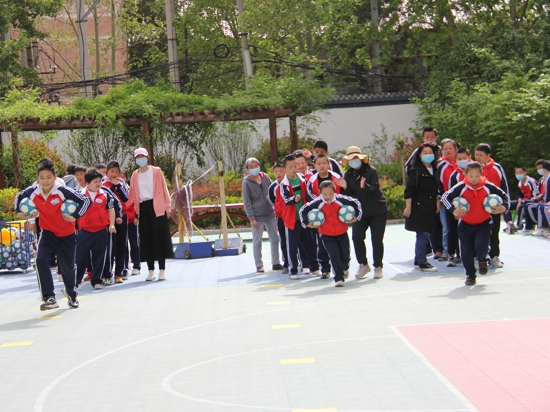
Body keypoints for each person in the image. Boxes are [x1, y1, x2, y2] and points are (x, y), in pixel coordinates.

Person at [15, 158, 91, 310]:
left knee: (67, 267)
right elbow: (19, 197)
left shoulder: (63, 191)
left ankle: (71, 293)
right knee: (40, 260)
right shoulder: (33, 191)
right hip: (47, 233)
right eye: (42, 177)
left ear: (55, 177)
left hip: (66, 234)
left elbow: (86, 201)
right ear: (38, 178)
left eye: (49, 177)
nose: (45, 181)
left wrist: (75, 216)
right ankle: (49, 297)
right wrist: (19, 213)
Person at [442, 162, 509, 285]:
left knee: (481, 246)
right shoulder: (461, 187)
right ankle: (470, 276)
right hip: (465, 225)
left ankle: (482, 259)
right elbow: (445, 197)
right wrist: (453, 210)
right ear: (465, 174)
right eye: (471, 176)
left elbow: (504, 195)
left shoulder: (488, 186)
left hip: (484, 224)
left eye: (477, 176)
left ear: (481, 175)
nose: (474, 179)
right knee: (466, 253)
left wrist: (504, 207)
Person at [338, 146, 387, 279]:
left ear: (361, 158)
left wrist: (365, 186)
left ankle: (378, 267)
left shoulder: (371, 171)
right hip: (360, 211)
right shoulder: (348, 174)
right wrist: (345, 187)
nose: (354, 161)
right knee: (357, 237)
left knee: (376, 239)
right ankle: (363, 264)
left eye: (356, 158)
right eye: (351, 159)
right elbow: (349, 196)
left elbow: (376, 189)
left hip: (377, 210)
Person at [300, 181, 362, 287]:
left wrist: (356, 216)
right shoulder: (318, 202)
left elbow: (356, 202)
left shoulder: (340, 199)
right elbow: (303, 210)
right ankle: (339, 278)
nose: (328, 196)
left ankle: (345, 268)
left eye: (330, 193)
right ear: (320, 193)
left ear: (335, 191)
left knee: (345, 257)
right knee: (334, 256)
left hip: (342, 233)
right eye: (325, 194)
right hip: (326, 236)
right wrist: (306, 223)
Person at [129, 148, 174, 281]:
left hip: (157, 207)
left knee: (160, 238)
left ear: (147, 157)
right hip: (143, 208)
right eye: (138, 157)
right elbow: (132, 195)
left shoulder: (156, 171)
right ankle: (150, 270)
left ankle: (162, 270)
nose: (141, 159)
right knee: (146, 239)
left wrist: (168, 207)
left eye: (142, 156)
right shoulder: (135, 175)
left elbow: (164, 189)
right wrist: (135, 213)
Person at [75, 168, 117, 290]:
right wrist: (75, 227)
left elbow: (111, 209)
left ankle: (97, 280)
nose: (98, 184)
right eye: (95, 182)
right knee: (80, 258)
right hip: (84, 231)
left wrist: (112, 224)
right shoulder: (80, 195)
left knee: (99, 257)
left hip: (101, 231)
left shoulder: (105, 195)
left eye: (100, 181)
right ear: (87, 183)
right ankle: (74, 282)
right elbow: (74, 212)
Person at [280, 154, 320, 279]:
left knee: (310, 243)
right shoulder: (284, 184)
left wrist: (319, 201)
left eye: (295, 165)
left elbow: (309, 195)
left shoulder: (302, 179)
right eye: (290, 167)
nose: (294, 168)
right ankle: (293, 271)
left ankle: (314, 267)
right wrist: (294, 199)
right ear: (285, 169)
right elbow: (286, 199)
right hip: (292, 220)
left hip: (304, 218)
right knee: (292, 247)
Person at [403, 142, 440, 272]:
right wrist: (408, 207)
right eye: (425, 153)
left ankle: (418, 260)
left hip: (429, 206)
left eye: (430, 153)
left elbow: (435, 189)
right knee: (422, 234)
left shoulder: (434, 169)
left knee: (424, 233)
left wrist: (437, 201)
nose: (428, 155)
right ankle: (422, 262)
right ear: (419, 155)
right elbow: (409, 190)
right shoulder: (416, 171)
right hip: (418, 207)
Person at [242, 157, 282, 273]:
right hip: (257, 216)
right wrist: (252, 218)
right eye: (251, 167)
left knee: (274, 239)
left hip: (270, 213)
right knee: (257, 241)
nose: (254, 168)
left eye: (256, 165)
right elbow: (247, 202)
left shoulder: (265, 177)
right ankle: (259, 265)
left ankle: (276, 262)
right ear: (247, 169)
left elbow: (274, 189)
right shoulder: (246, 182)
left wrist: (272, 199)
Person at [474, 143, 510, 268]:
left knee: (494, 233)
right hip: (477, 207)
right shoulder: (473, 168)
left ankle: (494, 257)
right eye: (476, 154)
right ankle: (478, 257)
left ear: (488, 155)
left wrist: (505, 205)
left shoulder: (497, 168)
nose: (478, 157)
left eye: (481, 155)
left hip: (494, 206)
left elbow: (504, 186)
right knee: (477, 234)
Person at [306, 154, 341, 278]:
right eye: (319, 164)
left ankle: (342, 266)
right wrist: (322, 204)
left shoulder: (336, 177)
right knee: (322, 243)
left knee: (340, 242)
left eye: (324, 163)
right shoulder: (311, 180)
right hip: (320, 217)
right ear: (314, 166)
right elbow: (309, 196)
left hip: (336, 216)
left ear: (328, 164)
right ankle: (325, 269)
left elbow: (342, 194)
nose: (322, 166)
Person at [102, 160, 130, 283]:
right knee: (109, 246)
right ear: (107, 171)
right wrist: (112, 186)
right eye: (111, 171)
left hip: (122, 216)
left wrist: (118, 185)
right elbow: (107, 198)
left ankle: (119, 272)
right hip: (108, 218)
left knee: (121, 244)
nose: (114, 174)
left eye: (116, 172)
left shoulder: (122, 182)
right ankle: (107, 273)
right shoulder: (102, 183)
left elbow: (126, 198)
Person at [446, 148, 472, 266]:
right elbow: (450, 194)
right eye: (459, 159)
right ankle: (452, 255)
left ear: (470, 157)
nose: (462, 161)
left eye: (464, 158)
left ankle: (474, 255)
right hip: (457, 208)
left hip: (472, 208)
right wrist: (454, 211)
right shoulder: (454, 175)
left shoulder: (475, 172)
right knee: (453, 231)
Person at [436, 138, 458, 262]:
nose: (448, 151)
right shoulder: (441, 165)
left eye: (450, 148)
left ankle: (460, 251)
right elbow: (437, 183)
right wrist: (439, 198)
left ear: (455, 149)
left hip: (461, 201)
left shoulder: (462, 163)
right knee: (447, 227)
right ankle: (447, 251)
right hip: (445, 200)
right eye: (445, 149)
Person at [268, 162, 289, 274]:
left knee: (297, 240)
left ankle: (302, 262)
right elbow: (272, 201)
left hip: (291, 216)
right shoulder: (272, 187)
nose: (278, 174)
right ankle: (286, 263)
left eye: (281, 171)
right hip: (280, 217)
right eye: (276, 172)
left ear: (285, 171)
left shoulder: (289, 183)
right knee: (283, 240)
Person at [503, 166, 538, 230]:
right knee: (506, 204)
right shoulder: (520, 183)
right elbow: (519, 195)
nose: (518, 174)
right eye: (517, 173)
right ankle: (509, 223)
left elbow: (535, 194)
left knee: (522, 206)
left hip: (531, 201)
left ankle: (519, 225)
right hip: (523, 201)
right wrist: (519, 201)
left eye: (520, 172)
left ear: (525, 172)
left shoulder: (531, 181)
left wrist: (521, 202)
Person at [121, 170, 141, 277]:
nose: (121, 179)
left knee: (134, 243)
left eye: (123, 177)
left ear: (127, 179)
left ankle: (136, 266)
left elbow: (137, 203)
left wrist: (137, 216)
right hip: (121, 220)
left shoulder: (131, 190)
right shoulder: (114, 190)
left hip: (132, 220)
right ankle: (124, 266)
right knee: (123, 245)